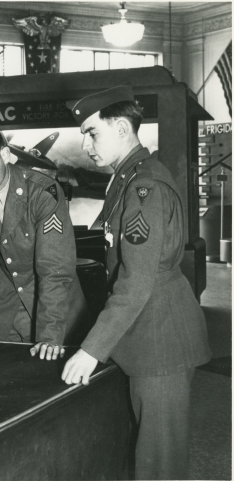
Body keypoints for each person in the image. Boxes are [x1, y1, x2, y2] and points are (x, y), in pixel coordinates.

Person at [61, 85, 211, 480]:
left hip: (159, 340)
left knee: (159, 464)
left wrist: (91, 350)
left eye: (92, 133)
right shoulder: (128, 178)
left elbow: (137, 280)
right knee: (144, 454)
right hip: (144, 335)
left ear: (122, 129)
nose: (86, 144)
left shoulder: (146, 187)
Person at [0, 116, 89, 360]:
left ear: (5, 154)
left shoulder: (42, 192)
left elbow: (55, 270)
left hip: (53, 316)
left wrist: (49, 336)